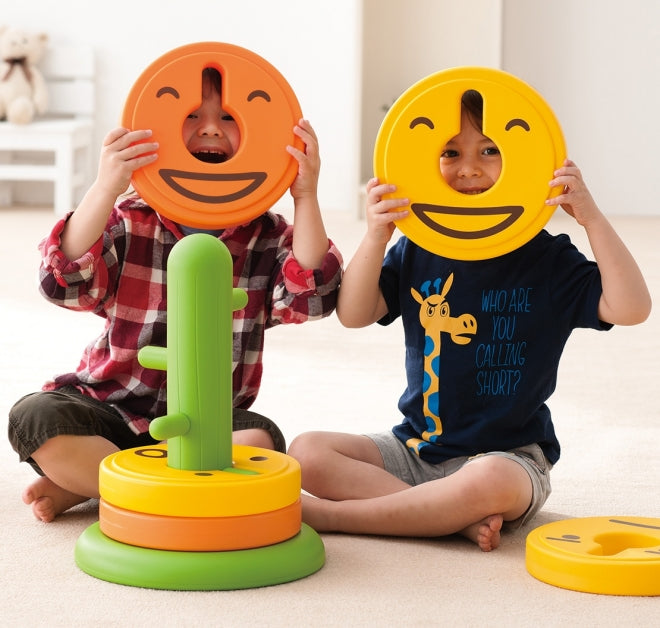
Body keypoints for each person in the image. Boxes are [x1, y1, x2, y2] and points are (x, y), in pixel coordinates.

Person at [288, 90, 651, 552]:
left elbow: (631, 308)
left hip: (510, 458)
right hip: (418, 447)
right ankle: (446, 518)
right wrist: (377, 234)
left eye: (489, 150)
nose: (469, 168)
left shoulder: (548, 258)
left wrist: (591, 218)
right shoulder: (419, 246)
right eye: (451, 153)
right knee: (307, 451)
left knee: (490, 478)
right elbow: (354, 315)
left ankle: (339, 517)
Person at [8, 67, 342, 523]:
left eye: (228, 117)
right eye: (192, 116)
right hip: (109, 408)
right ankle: (137, 487)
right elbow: (63, 283)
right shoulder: (130, 219)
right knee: (35, 417)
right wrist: (105, 187)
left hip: (209, 424)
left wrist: (305, 196)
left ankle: (97, 485)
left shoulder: (269, 237)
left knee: (260, 441)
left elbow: (313, 298)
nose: (210, 129)